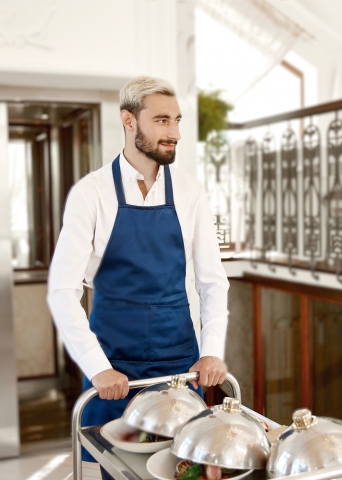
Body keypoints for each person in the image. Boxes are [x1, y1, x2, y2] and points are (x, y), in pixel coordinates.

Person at [47, 76, 229, 479]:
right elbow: (62, 290)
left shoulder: (190, 192)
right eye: (162, 120)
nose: (175, 133)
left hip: (179, 363)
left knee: (183, 467)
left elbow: (213, 281)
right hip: (115, 366)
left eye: (177, 120)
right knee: (122, 469)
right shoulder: (91, 193)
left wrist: (212, 350)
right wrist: (98, 368)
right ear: (128, 121)